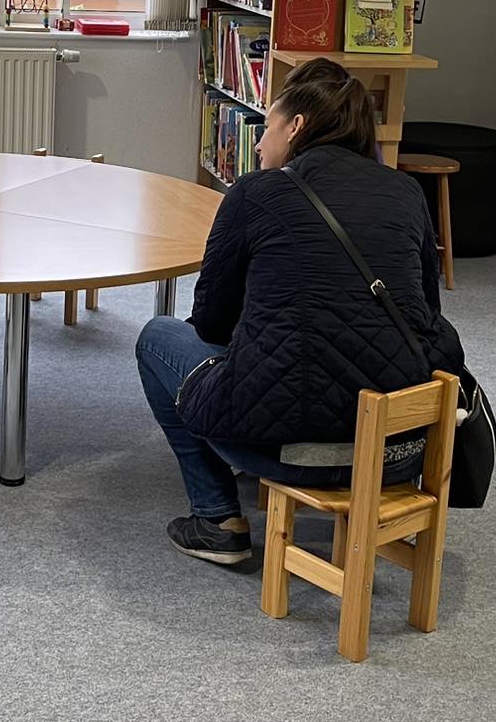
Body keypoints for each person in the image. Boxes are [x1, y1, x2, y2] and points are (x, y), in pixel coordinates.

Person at [135, 57, 466, 565]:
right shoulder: (406, 191)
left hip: (284, 451)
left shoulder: (255, 193)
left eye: (266, 126)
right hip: (397, 449)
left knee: (158, 336)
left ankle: (217, 518)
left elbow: (210, 322)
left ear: (296, 127)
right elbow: (424, 310)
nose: (259, 143)